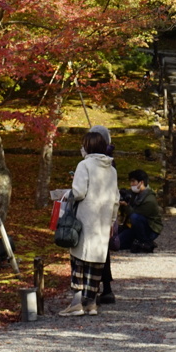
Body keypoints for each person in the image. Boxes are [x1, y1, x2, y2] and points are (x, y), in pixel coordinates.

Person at [60, 128, 119, 316]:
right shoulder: (111, 169)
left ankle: (76, 303)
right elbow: (116, 199)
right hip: (103, 221)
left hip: (85, 219)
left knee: (79, 260)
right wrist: (111, 222)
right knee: (96, 262)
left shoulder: (84, 166)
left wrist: (65, 195)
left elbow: (78, 192)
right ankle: (91, 303)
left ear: (88, 147)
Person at [114, 169, 163, 252]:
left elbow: (135, 215)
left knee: (135, 217)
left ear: (141, 182)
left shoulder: (149, 200)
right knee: (114, 242)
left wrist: (126, 206)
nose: (131, 184)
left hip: (150, 229)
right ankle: (134, 242)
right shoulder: (135, 194)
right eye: (130, 182)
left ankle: (144, 242)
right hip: (133, 227)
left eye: (133, 182)